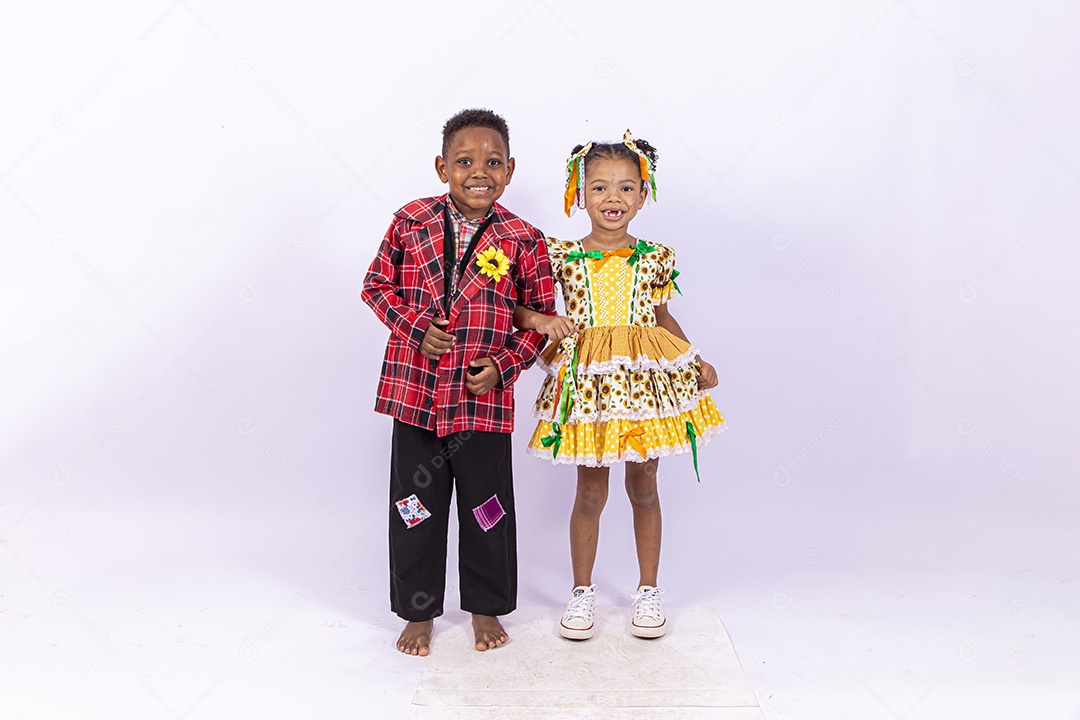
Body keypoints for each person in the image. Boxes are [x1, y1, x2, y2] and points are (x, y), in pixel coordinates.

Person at [514, 131, 725, 640]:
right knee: (590, 490)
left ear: (643, 195)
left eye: (627, 188)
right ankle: (581, 591)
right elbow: (522, 307)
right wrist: (544, 323)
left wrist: (695, 359)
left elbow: (661, 316)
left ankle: (648, 590)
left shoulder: (654, 257)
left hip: (643, 384)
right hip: (591, 385)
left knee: (645, 485)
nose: (614, 198)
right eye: (601, 188)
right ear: (580, 194)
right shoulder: (561, 255)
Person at [362, 108, 555, 656]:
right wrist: (415, 328)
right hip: (416, 392)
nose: (479, 172)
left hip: (480, 400)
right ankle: (417, 610)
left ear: (510, 170)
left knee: (486, 506)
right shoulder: (411, 221)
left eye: (493, 162)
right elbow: (376, 286)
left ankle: (486, 606)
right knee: (414, 505)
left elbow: (539, 320)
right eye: (465, 161)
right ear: (442, 167)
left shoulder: (524, 238)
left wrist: (504, 367)